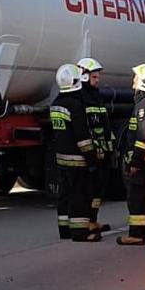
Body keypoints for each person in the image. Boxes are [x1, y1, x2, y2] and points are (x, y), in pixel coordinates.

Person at [51, 63, 99, 242]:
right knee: (79, 196)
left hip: (62, 159)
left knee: (64, 195)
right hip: (78, 160)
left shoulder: (56, 104)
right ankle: (80, 233)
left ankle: (64, 230)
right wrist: (92, 159)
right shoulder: (76, 106)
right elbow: (83, 138)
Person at [117, 64, 145, 246]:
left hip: (141, 161)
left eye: (135, 78)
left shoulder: (143, 106)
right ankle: (139, 233)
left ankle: (136, 234)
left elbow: (143, 136)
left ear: (142, 83)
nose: (132, 81)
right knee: (140, 196)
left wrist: (135, 161)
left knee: (136, 197)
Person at [77, 57, 115, 234]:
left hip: (103, 153)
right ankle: (87, 221)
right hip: (90, 154)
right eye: (94, 77)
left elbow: (105, 125)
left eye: (98, 77)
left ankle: (93, 218)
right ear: (83, 76)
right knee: (88, 189)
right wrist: (91, 153)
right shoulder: (80, 99)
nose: (97, 80)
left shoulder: (96, 97)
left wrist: (111, 147)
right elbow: (83, 130)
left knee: (99, 189)